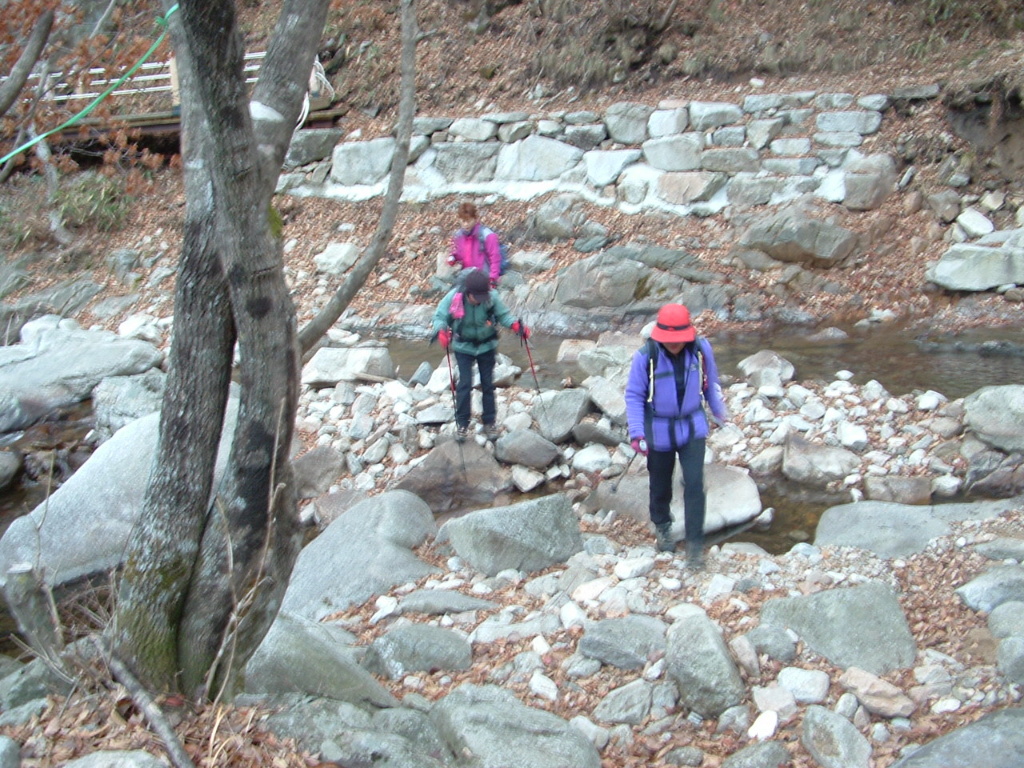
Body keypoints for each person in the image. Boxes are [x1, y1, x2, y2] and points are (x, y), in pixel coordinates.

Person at [624, 303, 728, 568]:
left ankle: (695, 545)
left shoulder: (701, 350)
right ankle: (663, 526)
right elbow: (634, 395)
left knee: (694, 484)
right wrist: (637, 432)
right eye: (669, 340)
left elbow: (710, 384)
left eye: (679, 339)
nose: (674, 344)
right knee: (660, 482)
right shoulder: (645, 356)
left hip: (692, 426)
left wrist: (718, 412)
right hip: (658, 429)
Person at [433, 269, 529, 442]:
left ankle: (490, 422)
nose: (480, 301)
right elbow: (440, 317)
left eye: (482, 297)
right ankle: (462, 424)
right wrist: (441, 331)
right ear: (468, 293)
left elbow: (504, 315)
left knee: (488, 385)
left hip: (487, 346)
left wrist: (515, 326)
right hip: (463, 346)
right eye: (477, 297)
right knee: (464, 384)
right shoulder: (455, 298)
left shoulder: (490, 296)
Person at [447, 201, 502, 287]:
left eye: (468, 221)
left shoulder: (487, 235)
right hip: (467, 277)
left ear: (475, 219)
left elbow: (495, 257)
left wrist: (493, 278)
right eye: (463, 221)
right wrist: (453, 257)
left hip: (483, 277)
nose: (466, 224)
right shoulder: (459, 236)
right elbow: (460, 254)